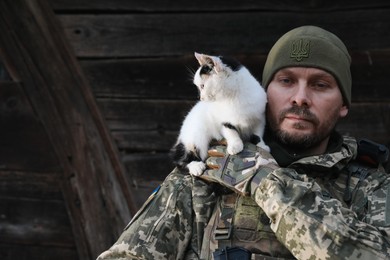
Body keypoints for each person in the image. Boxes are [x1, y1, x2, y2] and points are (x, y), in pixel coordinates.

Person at [97, 25, 390, 260]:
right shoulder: (209, 172)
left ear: (343, 104)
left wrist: (266, 182)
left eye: (320, 84)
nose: (300, 98)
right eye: (286, 81)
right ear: (265, 90)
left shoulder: (372, 186)